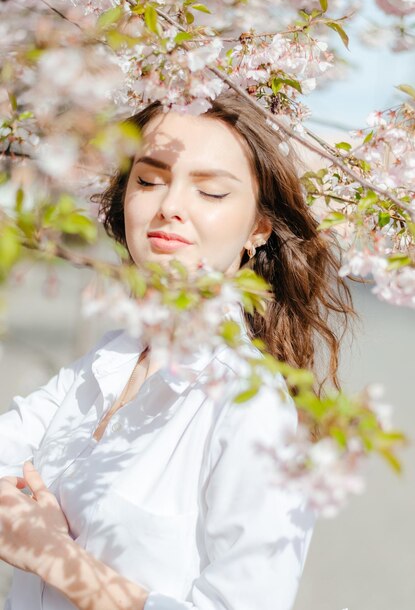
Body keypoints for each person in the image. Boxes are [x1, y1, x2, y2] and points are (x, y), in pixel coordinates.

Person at [0, 89, 356, 610]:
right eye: (148, 180)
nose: (169, 207)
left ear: (258, 227)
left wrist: (57, 559)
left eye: (211, 193)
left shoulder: (253, 407)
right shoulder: (109, 361)